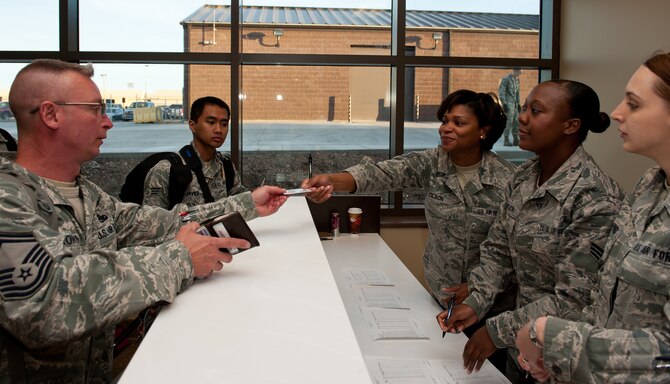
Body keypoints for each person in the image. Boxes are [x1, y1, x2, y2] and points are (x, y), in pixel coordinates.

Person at [0, 59, 287, 382]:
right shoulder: (8, 199)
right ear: (51, 114)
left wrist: (249, 203)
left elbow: (162, 222)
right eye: (96, 109)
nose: (108, 122)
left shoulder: (89, 195)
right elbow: (45, 305)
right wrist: (180, 257)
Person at [438, 79, 625, 383]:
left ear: (570, 125)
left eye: (535, 111)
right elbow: (498, 253)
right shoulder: (525, 175)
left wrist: (496, 331)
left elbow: (574, 301)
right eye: (524, 107)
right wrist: (476, 303)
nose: (522, 117)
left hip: (561, 358)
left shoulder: (594, 198)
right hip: (520, 350)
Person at [515, 52, 670, 383]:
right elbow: (602, 294)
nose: (616, 113)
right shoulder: (649, 185)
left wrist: (556, 339)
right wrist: (561, 359)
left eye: (634, 103)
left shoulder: (596, 194)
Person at [303, 90, 517, 323]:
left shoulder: (508, 180)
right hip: (441, 297)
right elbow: (380, 174)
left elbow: (509, 250)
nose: (446, 128)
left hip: (493, 309)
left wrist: (476, 287)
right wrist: (331, 181)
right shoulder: (432, 163)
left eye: (459, 122)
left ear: (484, 131)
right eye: (445, 121)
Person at [143, 96, 246, 208]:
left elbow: (241, 204)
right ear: (192, 125)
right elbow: (151, 221)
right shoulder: (166, 170)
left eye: (224, 124)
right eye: (211, 122)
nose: (219, 130)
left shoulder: (226, 165)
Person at [499, 68, 521, 146]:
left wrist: (518, 104)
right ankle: (506, 139)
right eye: (519, 72)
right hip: (508, 103)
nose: (519, 74)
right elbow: (501, 92)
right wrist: (504, 103)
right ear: (515, 71)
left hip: (514, 104)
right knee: (508, 121)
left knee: (516, 122)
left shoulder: (517, 81)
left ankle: (515, 139)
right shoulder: (506, 79)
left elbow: (517, 93)